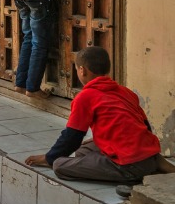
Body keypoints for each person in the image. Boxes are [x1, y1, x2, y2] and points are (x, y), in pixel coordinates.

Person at [25, 47, 164, 184]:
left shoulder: (85, 97)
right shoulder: (125, 91)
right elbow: (145, 126)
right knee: (83, 150)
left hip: (130, 165)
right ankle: (145, 167)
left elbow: (72, 137)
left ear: (82, 70)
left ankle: (130, 176)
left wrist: (48, 158)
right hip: (150, 157)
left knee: (59, 164)